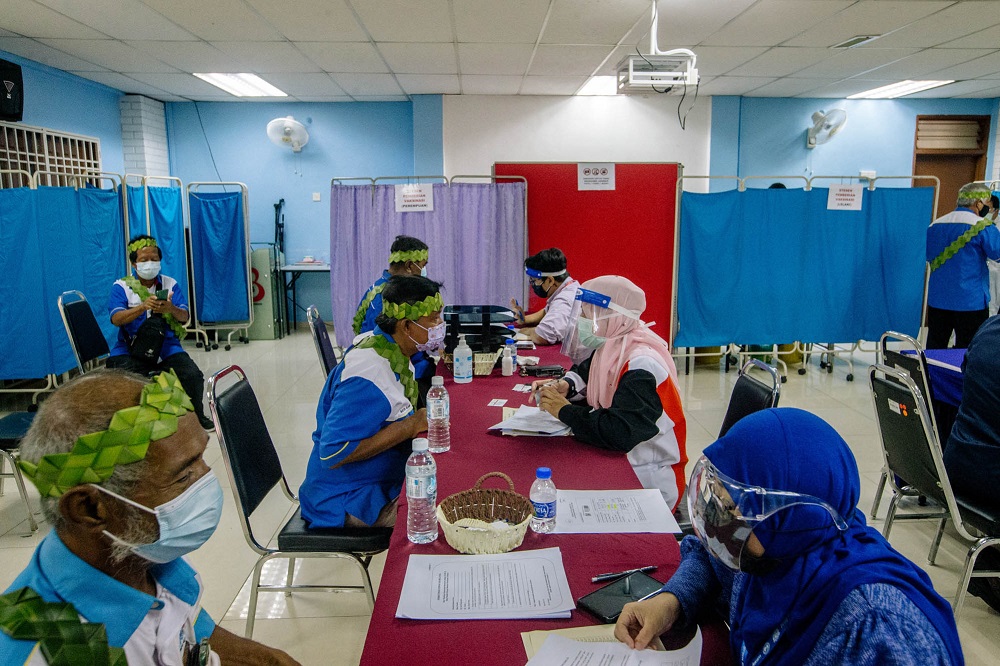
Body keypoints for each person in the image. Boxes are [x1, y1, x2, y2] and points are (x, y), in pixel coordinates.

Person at [614, 408, 963, 666]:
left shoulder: (875, 629)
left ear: (793, 520)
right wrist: (673, 601)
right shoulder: (779, 551)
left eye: (733, 512)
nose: (721, 527)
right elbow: (712, 559)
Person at [1, 369, 299, 665]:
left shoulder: (140, 556)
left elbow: (188, 630)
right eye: (183, 476)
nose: (206, 480)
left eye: (201, 460)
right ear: (89, 509)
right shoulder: (49, 654)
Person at [300, 276, 443, 528]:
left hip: (376, 479)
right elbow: (333, 451)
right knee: (441, 516)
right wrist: (408, 427)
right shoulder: (369, 373)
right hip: (347, 497)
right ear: (406, 326)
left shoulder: (391, 348)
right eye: (433, 318)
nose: (440, 325)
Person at [535, 276, 687, 511]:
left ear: (612, 315)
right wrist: (565, 385)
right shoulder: (614, 345)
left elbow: (618, 431)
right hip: (626, 459)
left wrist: (564, 411)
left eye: (588, 313)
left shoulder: (642, 364)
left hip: (648, 478)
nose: (583, 320)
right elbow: (587, 373)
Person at [107, 235, 213, 431]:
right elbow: (116, 319)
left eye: (154, 259)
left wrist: (171, 309)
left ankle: (197, 416)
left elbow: (184, 317)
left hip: (166, 346)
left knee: (192, 375)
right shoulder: (121, 287)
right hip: (130, 346)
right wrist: (142, 307)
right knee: (126, 380)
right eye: (144, 260)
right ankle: (132, 424)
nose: (150, 264)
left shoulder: (169, 284)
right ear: (133, 263)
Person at [352, 235, 436, 403]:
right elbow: (392, 350)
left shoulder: (378, 288)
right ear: (410, 266)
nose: (425, 271)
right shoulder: (390, 298)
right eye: (423, 265)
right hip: (395, 375)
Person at [926, 182, 1000, 349]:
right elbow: (997, 254)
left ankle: (932, 375)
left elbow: (929, 256)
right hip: (970, 302)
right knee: (967, 349)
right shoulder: (984, 227)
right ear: (978, 203)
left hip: (939, 299)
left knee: (935, 347)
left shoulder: (935, 225)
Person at [510, 248, 580, 346]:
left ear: (550, 281)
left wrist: (526, 331)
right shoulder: (569, 286)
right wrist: (524, 319)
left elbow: (543, 336)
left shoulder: (564, 300)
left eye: (535, 280)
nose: (533, 284)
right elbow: (547, 311)